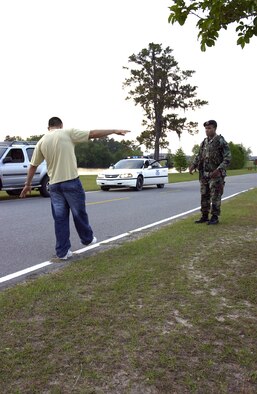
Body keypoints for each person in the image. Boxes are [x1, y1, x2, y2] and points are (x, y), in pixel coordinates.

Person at [20, 117, 130, 259]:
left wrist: (27, 184)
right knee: (79, 213)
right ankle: (87, 239)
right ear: (61, 125)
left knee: (60, 219)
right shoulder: (67, 132)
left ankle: (63, 252)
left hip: (54, 185)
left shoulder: (41, 141)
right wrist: (113, 131)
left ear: (48, 127)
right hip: (71, 182)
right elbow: (93, 134)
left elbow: (33, 166)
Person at [189, 120, 231, 225]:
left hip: (216, 175)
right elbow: (199, 156)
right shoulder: (204, 142)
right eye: (206, 129)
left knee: (215, 196)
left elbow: (228, 157)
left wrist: (219, 170)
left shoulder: (220, 140)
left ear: (214, 129)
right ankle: (204, 216)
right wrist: (193, 165)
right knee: (204, 195)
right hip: (204, 174)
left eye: (209, 128)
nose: (207, 130)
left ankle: (215, 217)